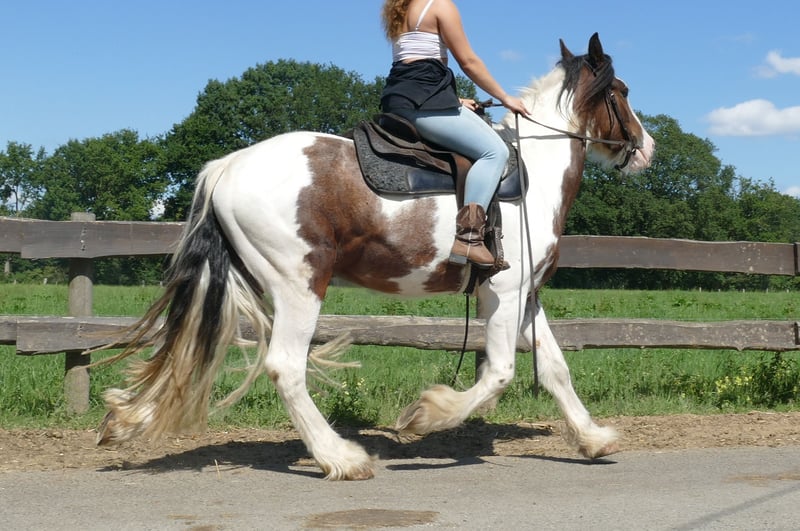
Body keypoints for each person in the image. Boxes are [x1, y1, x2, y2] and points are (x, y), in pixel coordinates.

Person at [380, 0, 530, 268]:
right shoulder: (439, 5)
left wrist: (455, 101)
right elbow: (468, 62)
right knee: (494, 152)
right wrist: (505, 97)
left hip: (400, 101)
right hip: (424, 105)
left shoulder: (399, 9)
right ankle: (469, 239)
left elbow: (414, 66)